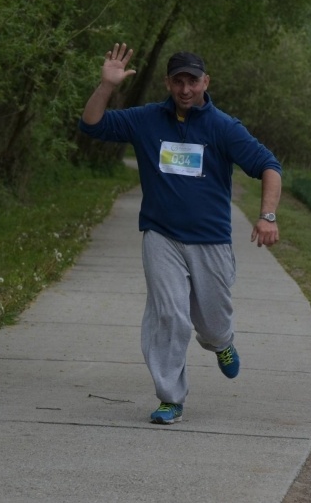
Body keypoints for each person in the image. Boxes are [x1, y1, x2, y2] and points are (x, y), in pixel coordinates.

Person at [78, 43, 282, 425]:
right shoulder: (147, 120)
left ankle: (221, 342)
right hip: (162, 235)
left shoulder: (223, 127)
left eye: (192, 81)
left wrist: (267, 216)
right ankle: (170, 398)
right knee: (169, 314)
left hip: (211, 240)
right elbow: (92, 124)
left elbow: (269, 166)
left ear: (206, 82)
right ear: (168, 84)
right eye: (178, 82)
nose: (185, 89)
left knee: (212, 322)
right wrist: (106, 86)